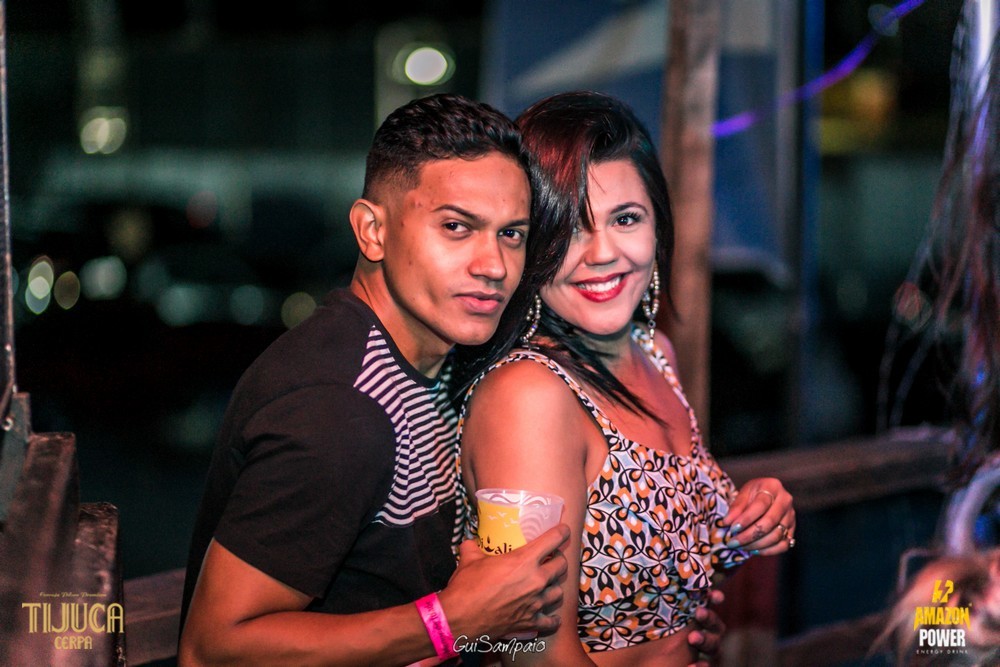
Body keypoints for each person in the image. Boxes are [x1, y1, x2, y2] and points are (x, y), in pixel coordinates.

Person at [177, 93, 571, 666]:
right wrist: (451, 622)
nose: (493, 265)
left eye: (511, 234)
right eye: (457, 227)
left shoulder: (439, 363)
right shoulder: (339, 410)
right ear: (372, 230)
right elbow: (211, 651)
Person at [459, 91, 796, 666]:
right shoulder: (527, 397)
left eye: (625, 218)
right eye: (570, 229)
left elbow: (656, 569)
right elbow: (528, 652)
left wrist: (750, 517)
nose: (602, 253)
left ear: (658, 225)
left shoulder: (655, 352)